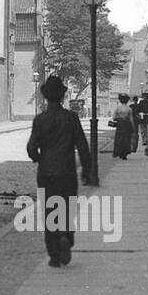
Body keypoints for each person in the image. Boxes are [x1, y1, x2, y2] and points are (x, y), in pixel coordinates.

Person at [27, 75, 92, 268]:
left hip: (47, 173)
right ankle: (66, 236)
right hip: (67, 171)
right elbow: (82, 145)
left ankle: (54, 255)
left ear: (46, 97)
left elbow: (31, 148)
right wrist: (86, 170)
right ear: (63, 96)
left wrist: (40, 159)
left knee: (49, 212)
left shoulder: (40, 120)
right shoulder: (71, 118)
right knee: (67, 208)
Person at [112, 93, 133, 159]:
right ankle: (125, 153)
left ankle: (119, 152)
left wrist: (119, 118)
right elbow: (131, 119)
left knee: (119, 139)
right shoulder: (129, 109)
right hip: (127, 124)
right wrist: (133, 127)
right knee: (126, 139)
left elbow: (114, 117)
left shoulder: (118, 108)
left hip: (120, 125)